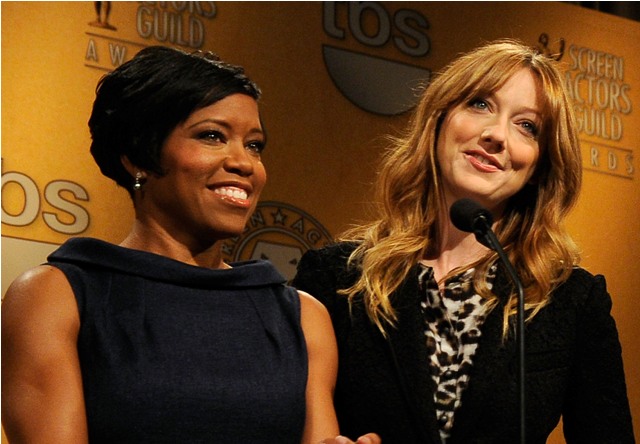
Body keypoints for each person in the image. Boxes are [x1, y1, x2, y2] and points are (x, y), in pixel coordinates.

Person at [1, 46, 378, 444]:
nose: (244, 163)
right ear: (138, 155)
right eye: (212, 136)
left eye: (254, 145)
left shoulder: (301, 317)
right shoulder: (55, 297)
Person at [293, 39, 635, 443]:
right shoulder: (336, 279)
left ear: (541, 165)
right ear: (439, 118)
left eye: (527, 126)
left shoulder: (570, 301)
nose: (496, 135)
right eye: (480, 104)